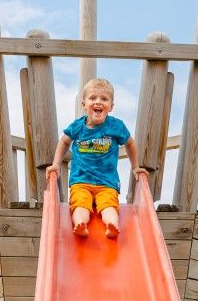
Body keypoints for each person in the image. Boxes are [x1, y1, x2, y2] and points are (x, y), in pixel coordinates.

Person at [45, 78, 146, 238]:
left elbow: (130, 143)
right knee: (80, 204)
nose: (98, 102)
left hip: (107, 183)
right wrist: (56, 164)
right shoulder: (77, 126)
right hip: (81, 181)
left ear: (111, 106)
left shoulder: (116, 126)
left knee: (109, 205)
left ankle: (112, 225)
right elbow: (64, 142)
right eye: (93, 98)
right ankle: (80, 223)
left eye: (104, 99)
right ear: (84, 104)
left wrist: (135, 167)